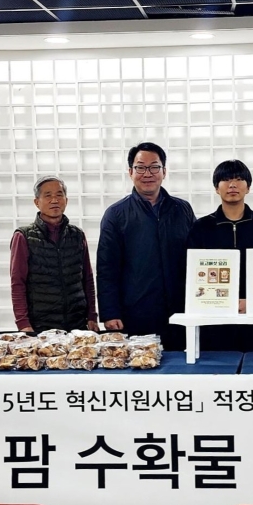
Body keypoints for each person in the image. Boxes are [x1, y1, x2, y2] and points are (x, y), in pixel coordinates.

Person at [96, 142, 196, 350]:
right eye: (141, 167)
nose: (148, 173)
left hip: (179, 311)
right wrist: (110, 312)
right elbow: (107, 268)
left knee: (181, 365)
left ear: (164, 171)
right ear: (130, 172)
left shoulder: (182, 209)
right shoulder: (116, 214)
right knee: (142, 365)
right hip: (135, 312)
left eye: (154, 167)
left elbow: (196, 257)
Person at [185, 159, 253, 352]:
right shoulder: (202, 228)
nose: (232, 185)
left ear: (248, 187)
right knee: (216, 368)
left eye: (239, 179)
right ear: (216, 188)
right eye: (226, 179)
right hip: (214, 320)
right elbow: (191, 273)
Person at [9, 176, 97, 333]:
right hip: (40, 326)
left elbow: (87, 279)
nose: (54, 200)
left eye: (59, 195)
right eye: (48, 195)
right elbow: (18, 282)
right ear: (37, 202)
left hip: (77, 325)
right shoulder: (23, 236)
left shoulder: (77, 235)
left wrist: (92, 316)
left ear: (66, 200)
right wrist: (23, 324)